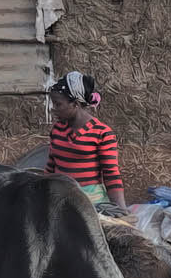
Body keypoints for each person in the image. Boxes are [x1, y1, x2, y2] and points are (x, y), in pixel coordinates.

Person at [45, 70, 125, 209]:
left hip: (91, 204)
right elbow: (51, 167)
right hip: (59, 200)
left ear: (75, 104)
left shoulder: (102, 133)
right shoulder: (57, 130)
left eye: (58, 104)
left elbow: (111, 175)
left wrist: (121, 210)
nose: (54, 109)